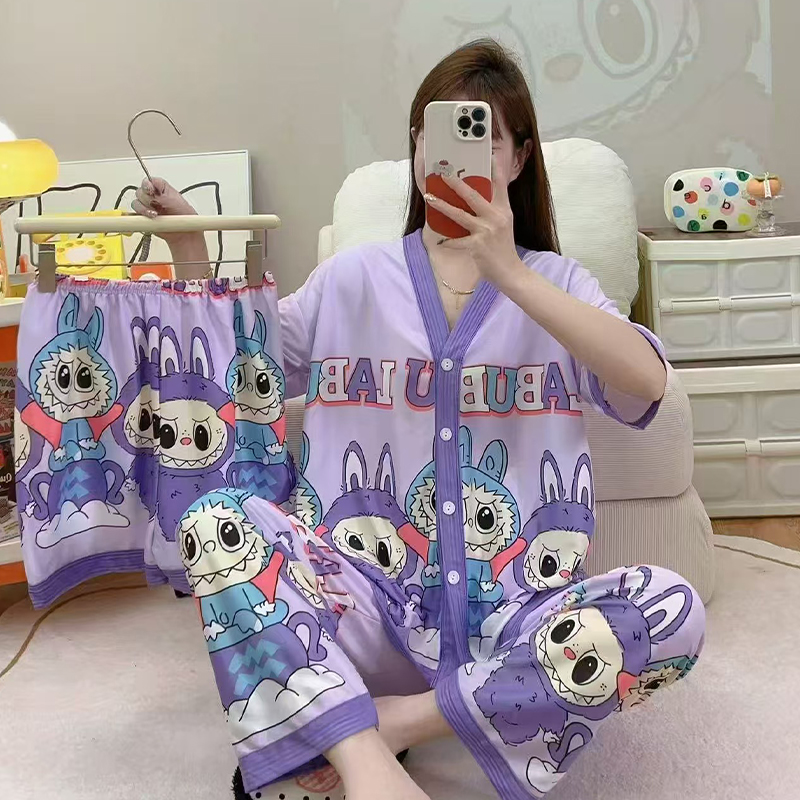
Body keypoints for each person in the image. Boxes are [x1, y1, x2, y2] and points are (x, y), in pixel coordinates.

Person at [136, 38, 704, 800]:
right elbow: (239, 378)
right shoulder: (351, 280)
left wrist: (510, 272)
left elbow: (647, 384)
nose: (454, 155)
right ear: (415, 149)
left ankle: (385, 725)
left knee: (673, 615)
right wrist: (190, 249)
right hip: (358, 610)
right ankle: (369, 765)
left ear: (518, 158)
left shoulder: (560, 286)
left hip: (514, 624)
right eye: (434, 134)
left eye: (483, 136)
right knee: (216, 521)